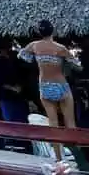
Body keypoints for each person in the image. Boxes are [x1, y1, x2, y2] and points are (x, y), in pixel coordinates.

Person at [20, 20, 81, 161]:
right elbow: (77, 66)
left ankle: (59, 159)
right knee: (70, 124)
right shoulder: (60, 48)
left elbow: (24, 57)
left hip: (45, 86)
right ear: (52, 31)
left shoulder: (34, 46)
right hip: (61, 85)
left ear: (39, 32)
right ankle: (79, 159)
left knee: (53, 124)